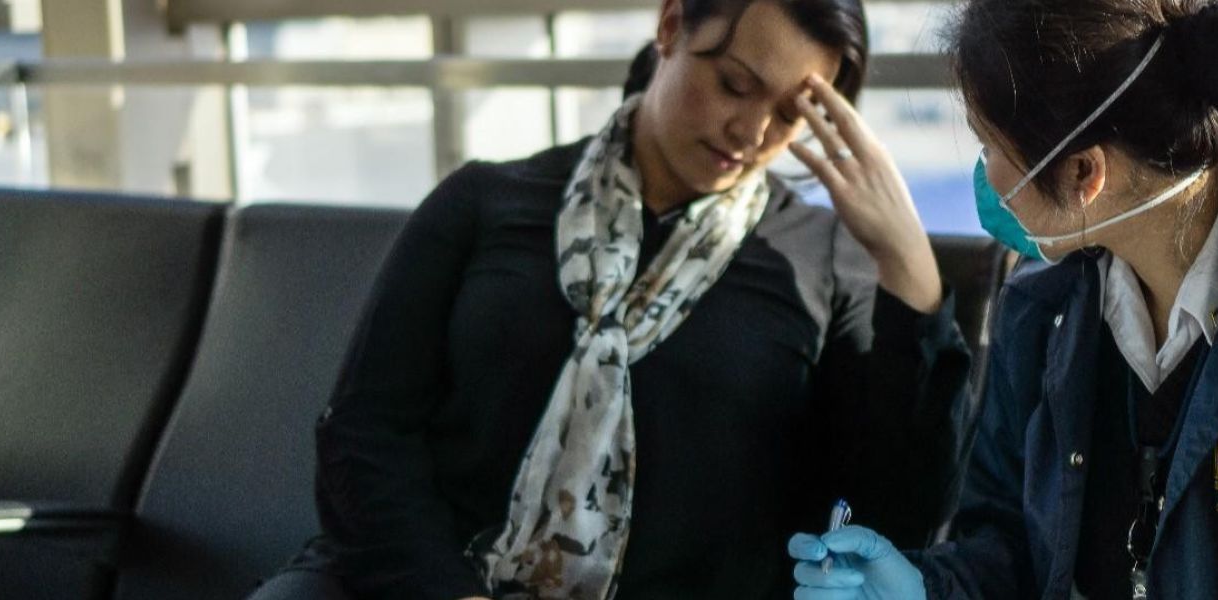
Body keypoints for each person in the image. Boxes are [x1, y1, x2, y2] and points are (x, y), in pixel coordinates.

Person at [248, 0, 975, 598]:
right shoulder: (486, 202)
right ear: (669, 27)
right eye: (733, 84)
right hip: (424, 579)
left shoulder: (823, 263)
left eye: (790, 115)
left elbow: (893, 512)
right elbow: (364, 431)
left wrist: (910, 273)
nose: (750, 133)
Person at [787, 0, 1218, 597]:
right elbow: (1008, 556)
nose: (984, 175)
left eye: (987, 143)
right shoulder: (1042, 314)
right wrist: (927, 588)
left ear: (1085, 172)